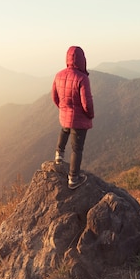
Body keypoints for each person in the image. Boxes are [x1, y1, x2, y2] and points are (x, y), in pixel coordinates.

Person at [51, 46, 94, 189]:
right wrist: (90, 115)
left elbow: (54, 97)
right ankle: (73, 179)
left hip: (65, 114)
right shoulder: (82, 78)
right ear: (83, 60)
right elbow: (86, 102)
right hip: (79, 119)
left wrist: (62, 108)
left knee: (64, 130)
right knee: (77, 149)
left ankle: (59, 155)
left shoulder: (59, 75)